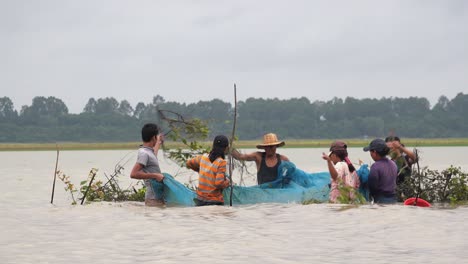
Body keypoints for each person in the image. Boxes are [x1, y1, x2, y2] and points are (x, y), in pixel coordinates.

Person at [186, 135, 231, 206]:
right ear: (225, 148)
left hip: (200, 200)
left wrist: (199, 170)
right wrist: (227, 183)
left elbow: (188, 163)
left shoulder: (203, 158)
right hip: (214, 201)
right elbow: (219, 183)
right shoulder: (221, 162)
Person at [130, 123, 165, 206]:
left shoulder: (149, 152)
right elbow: (133, 174)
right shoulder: (144, 153)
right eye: (156, 137)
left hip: (157, 197)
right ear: (153, 137)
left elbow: (153, 157)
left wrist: (159, 142)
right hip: (152, 199)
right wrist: (155, 175)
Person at [363, 138, 398, 204]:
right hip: (394, 199)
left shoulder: (375, 166)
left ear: (375, 152)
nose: (370, 154)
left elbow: (373, 186)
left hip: (381, 199)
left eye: (370, 151)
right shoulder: (393, 164)